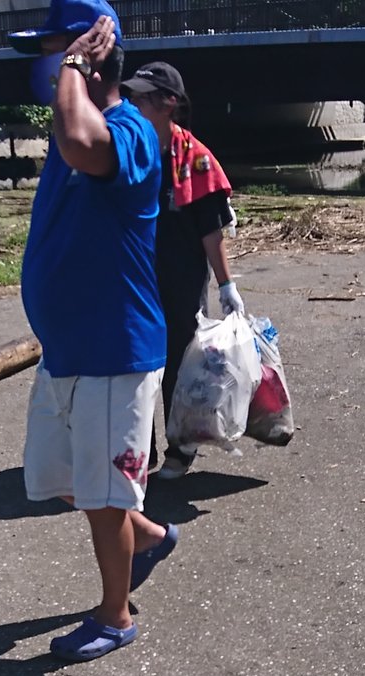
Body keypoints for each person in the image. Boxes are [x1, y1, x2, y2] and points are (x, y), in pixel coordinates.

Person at [10, 2, 179, 662]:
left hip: (114, 349)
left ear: (91, 58)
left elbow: (86, 143)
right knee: (62, 477)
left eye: (56, 54)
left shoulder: (129, 131)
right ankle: (152, 537)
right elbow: (72, 141)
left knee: (104, 498)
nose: (50, 70)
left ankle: (115, 616)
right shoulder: (68, 131)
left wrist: (75, 65)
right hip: (69, 350)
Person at [120, 61, 245, 480]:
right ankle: (141, 449)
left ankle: (181, 447)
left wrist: (226, 284)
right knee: (138, 363)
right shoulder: (128, 151)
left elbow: (211, 231)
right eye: (132, 96)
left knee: (179, 362)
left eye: (141, 98)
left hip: (181, 278)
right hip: (136, 276)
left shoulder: (195, 160)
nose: (133, 103)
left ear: (168, 103)